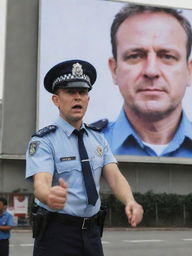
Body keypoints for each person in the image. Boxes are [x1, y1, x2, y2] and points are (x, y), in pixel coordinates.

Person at [25, 59, 143, 256]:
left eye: (82, 92)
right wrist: (49, 195)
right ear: (56, 100)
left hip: (92, 234)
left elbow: (114, 176)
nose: (77, 98)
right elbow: (41, 183)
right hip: (57, 234)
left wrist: (130, 201)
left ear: (88, 99)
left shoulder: (98, 139)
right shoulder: (45, 141)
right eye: (70, 92)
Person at [100, 4, 192, 159]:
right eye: (135, 56)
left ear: (189, 71)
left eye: (167, 56)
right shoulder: (80, 147)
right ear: (114, 70)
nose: (151, 71)